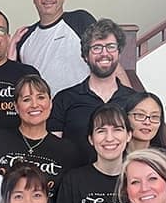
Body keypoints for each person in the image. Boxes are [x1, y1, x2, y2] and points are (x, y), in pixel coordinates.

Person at [0, 74, 78, 203]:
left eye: (41, 97)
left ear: (50, 103)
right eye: (26, 99)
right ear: (16, 107)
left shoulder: (67, 152)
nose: (35, 105)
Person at [48, 18, 137, 166]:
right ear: (85, 56)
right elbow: (53, 151)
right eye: (97, 48)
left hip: (123, 184)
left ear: (119, 53)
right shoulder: (65, 99)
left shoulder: (133, 100)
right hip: (74, 184)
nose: (104, 53)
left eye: (111, 46)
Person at [124, 91, 166, 157]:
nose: (147, 122)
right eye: (140, 115)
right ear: (125, 117)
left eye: (154, 116)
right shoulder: (114, 155)